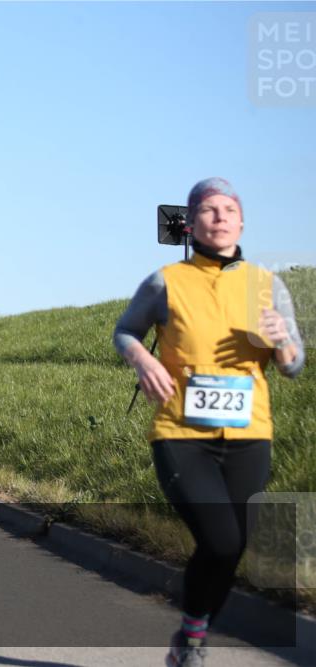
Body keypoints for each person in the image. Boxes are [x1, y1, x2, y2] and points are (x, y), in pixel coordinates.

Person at [113, 178, 304, 667]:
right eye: (208, 210)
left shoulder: (266, 285)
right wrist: (143, 360)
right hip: (181, 433)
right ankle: (193, 640)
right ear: (191, 222)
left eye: (229, 209)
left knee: (231, 547)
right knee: (220, 539)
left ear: (241, 222)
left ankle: (190, 637)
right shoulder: (165, 282)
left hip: (249, 434)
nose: (220, 217)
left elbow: (294, 364)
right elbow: (125, 331)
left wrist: (282, 340)